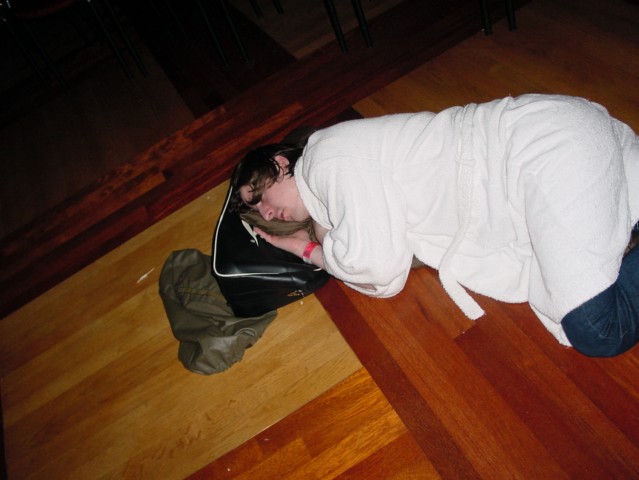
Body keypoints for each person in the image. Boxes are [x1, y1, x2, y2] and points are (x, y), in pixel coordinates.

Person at [228, 94, 639, 357]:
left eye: (258, 195)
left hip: (538, 148)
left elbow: (379, 269)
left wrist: (308, 248)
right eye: (258, 212)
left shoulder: (327, 159)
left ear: (280, 163)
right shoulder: (331, 186)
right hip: (534, 160)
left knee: (598, 330)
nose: (267, 213)